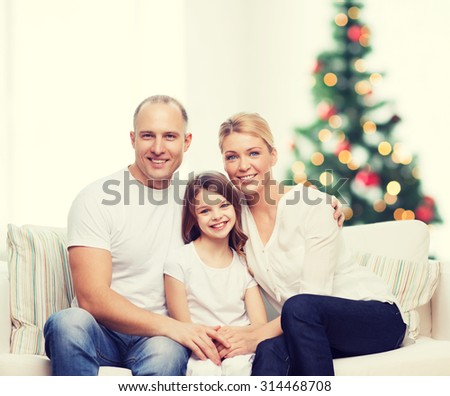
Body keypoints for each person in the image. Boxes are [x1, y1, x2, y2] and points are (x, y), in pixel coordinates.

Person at [43, 95, 230, 375]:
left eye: (169, 136)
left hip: (159, 342)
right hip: (102, 333)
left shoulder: (197, 200)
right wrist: (175, 327)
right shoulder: (95, 198)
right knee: (67, 322)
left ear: (186, 141)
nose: (158, 148)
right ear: (132, 139)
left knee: (166, 354)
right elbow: (92, 297)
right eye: (147, 136)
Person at [215, 112, 407, 376]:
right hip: (306, 329)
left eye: (254, 153)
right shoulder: (235, 222)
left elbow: (314, 296)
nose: (243, 166)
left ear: (273, 156)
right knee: (269, 351)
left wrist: (255, 336)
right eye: (232, 156)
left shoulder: (311, 205)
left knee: (299, 305)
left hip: (375, 319)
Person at [164, 172, 267, 376]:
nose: (217, 216)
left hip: (240, 349)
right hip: (199, 350)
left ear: (235, 207)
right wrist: (212, 343)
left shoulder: (244, 263)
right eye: (205, 211)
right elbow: (183, 326)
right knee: (204, 371)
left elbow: (259, 326)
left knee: (239, 368)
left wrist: (233, 341)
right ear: (193, 217)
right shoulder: (178, 261)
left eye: (224, 205)